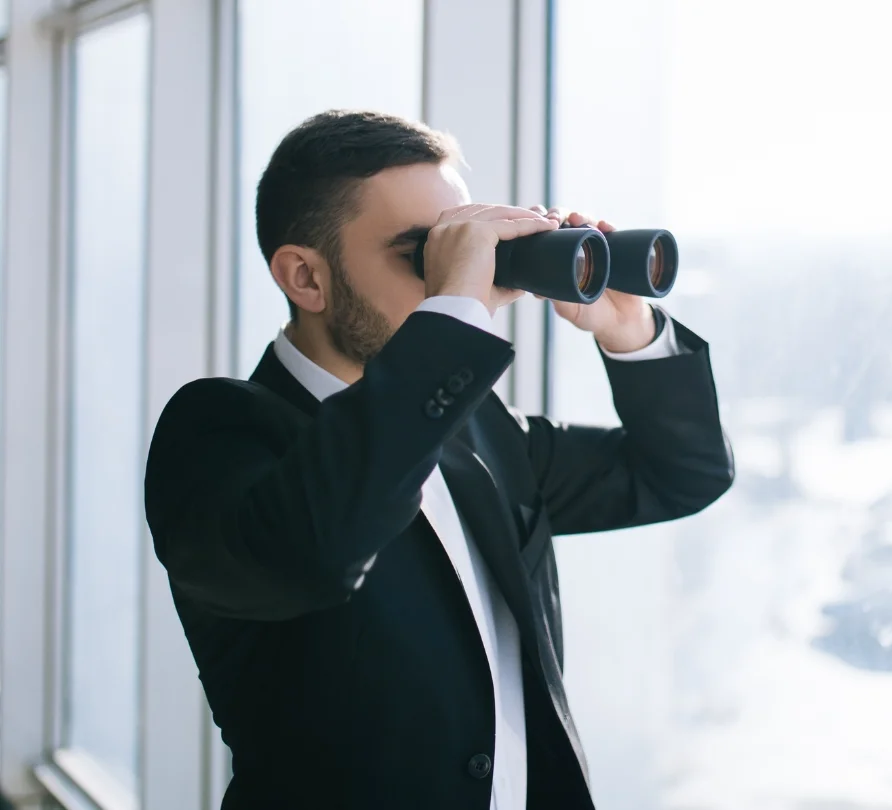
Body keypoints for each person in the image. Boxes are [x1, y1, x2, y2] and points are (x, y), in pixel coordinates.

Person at [144, 110, 733, 810]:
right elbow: (317, 549)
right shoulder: (217, 434)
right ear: (305, 277)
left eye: (465, 245)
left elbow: (678, 473)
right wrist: (453, 312)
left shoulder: (477, 434)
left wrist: (628, 327)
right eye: (426, 252)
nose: (467, 280)